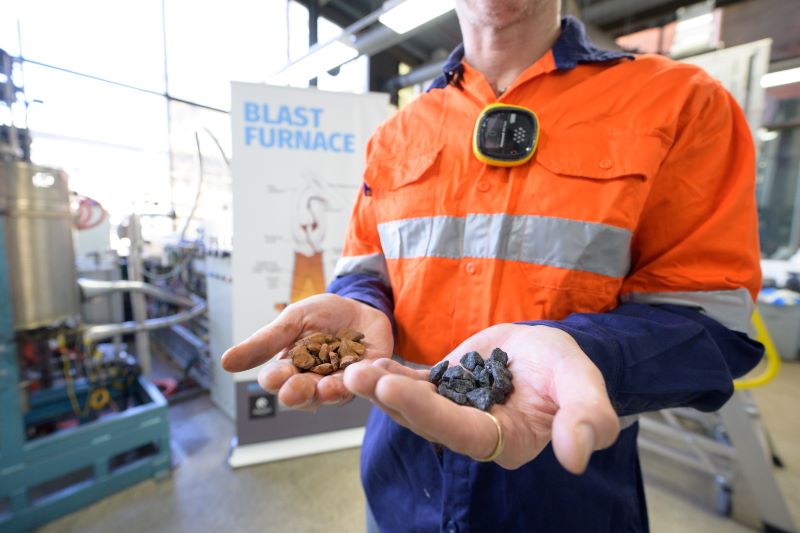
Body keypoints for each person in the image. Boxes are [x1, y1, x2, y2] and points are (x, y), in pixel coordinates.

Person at [222, 1, 764, 531]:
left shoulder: (681, 103)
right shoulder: (396, 135)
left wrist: (585, 353)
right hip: (402, 474)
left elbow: (714, 326)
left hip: (565, 484)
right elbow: (368, 270)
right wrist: (360, 304)